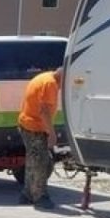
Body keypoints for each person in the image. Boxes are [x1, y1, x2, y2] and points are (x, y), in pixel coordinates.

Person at [18, 67, 63, 209]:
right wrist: (52, 133)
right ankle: (40, 197)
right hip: (34, 127)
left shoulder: (45, 77)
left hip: (27, 124)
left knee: (34, 161)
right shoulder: (50, 84)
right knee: (41, 162)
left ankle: (27, 194)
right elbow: (44, 112)